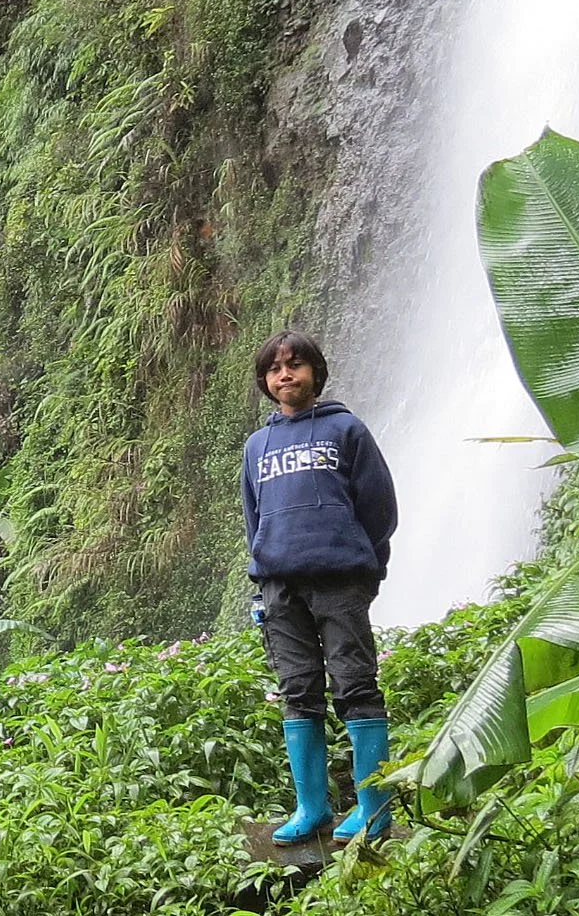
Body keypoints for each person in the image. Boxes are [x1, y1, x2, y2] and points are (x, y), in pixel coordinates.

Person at [241, 331, 398, 845]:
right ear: (266, 382)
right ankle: (311, 807)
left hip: (339, 581)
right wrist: (264, 568)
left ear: (316, 373)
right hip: (280, 587)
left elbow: (378, 505)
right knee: (297, 691)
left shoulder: (345, 430)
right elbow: (254, 516)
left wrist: (368, 565)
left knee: (355, 686)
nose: (285, 374)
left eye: (296, 364)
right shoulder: (257, 446)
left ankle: (373, 808)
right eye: (275, 369)